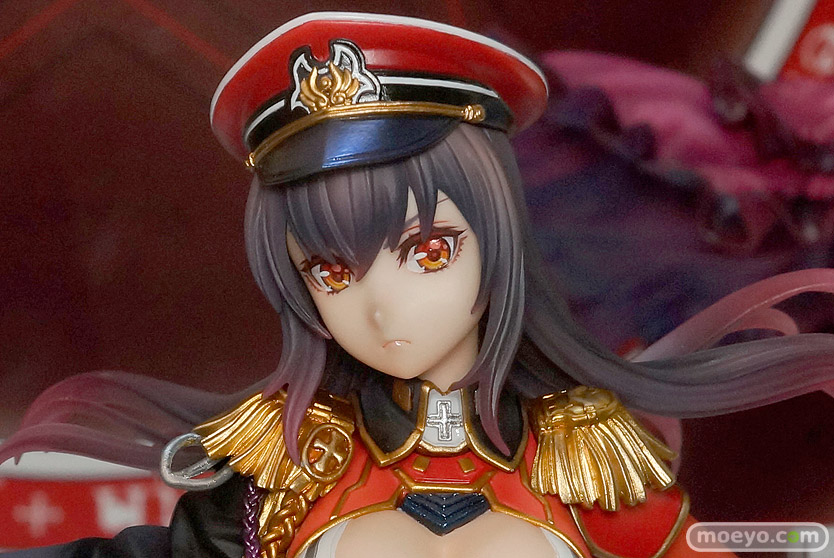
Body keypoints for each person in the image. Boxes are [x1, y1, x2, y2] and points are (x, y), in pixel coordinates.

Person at [2, 12, 833, 558]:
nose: (379, 307)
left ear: (498, 240)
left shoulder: (586, 454)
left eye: (427, 251)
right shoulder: (287, 465)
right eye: (331, 271)